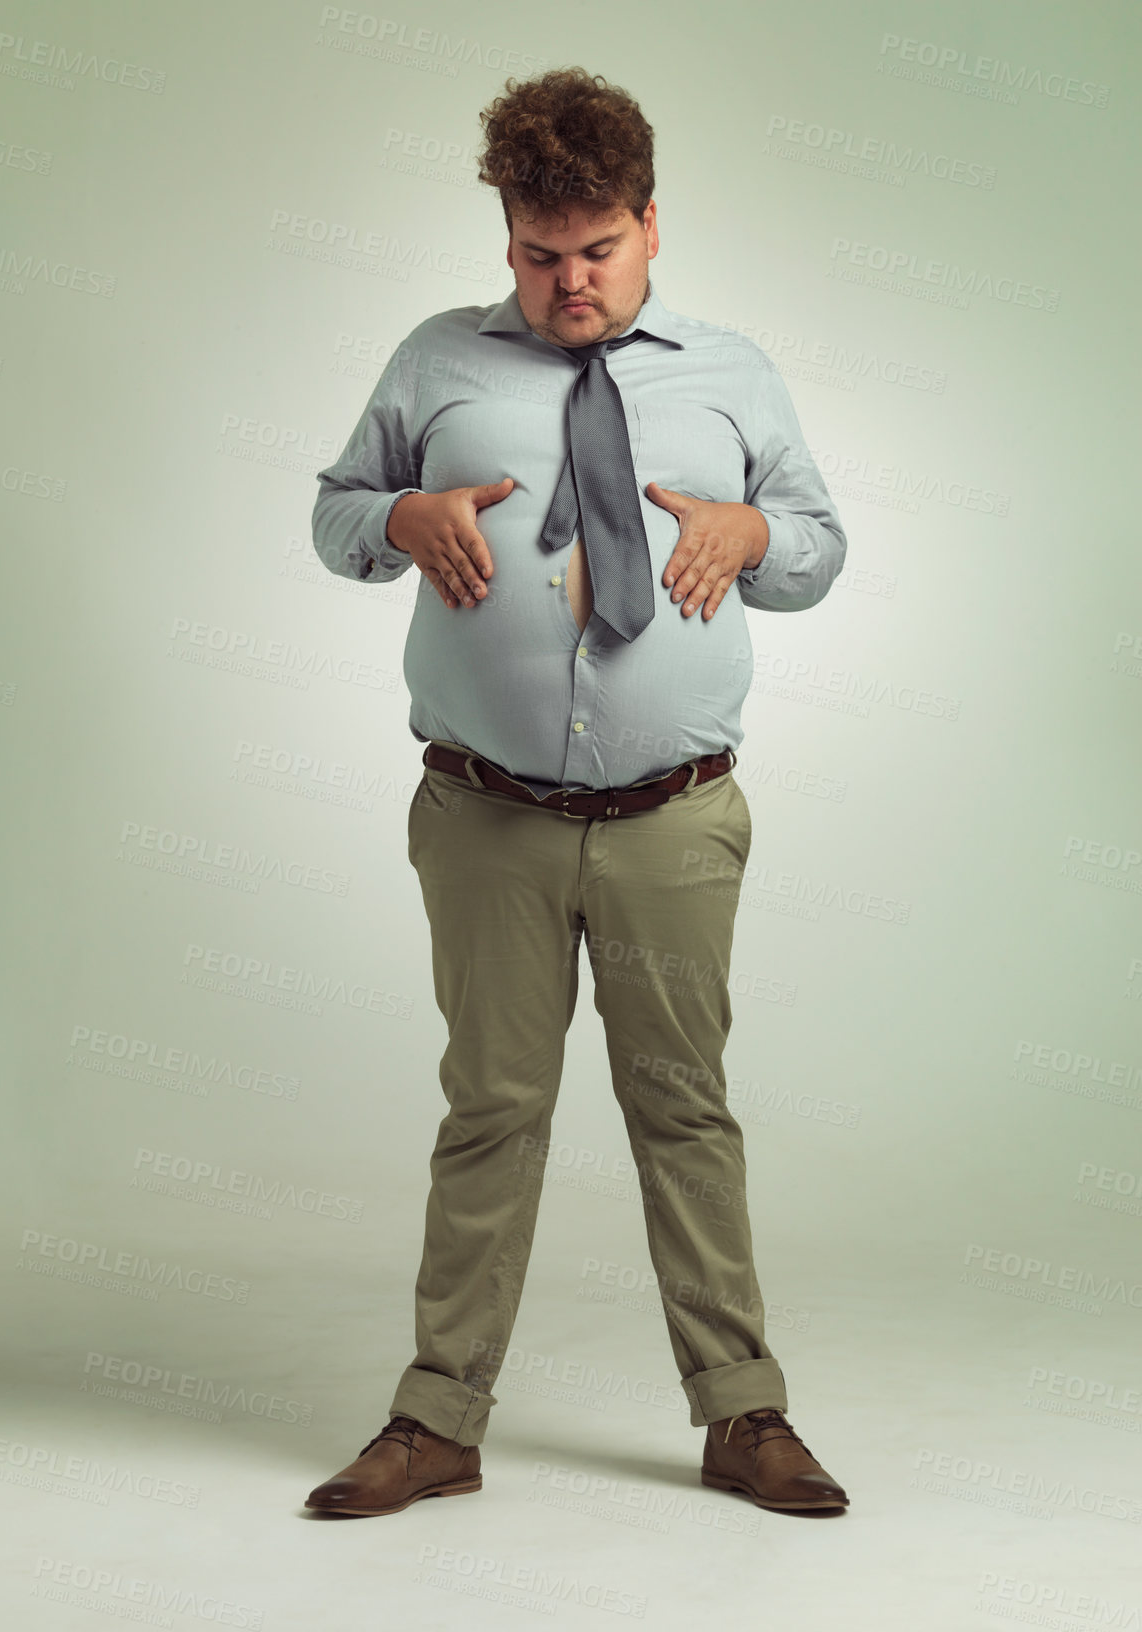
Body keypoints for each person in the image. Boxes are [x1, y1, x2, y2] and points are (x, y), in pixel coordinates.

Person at [304, 66, 849, 1519]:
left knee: (685, 1109)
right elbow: (335, 513)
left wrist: (753, 530)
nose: (570, 284)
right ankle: (439, 1423)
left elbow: (817, 545)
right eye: (540, 256)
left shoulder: (729, 372)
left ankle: (743, 1415)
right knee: (490, 1109)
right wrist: (397, 516)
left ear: (650, 227)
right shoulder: (436, 362)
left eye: (596, 251)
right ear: (508, 240)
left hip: (675, 819)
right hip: (486, 818)